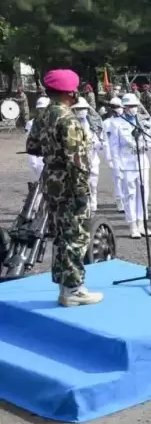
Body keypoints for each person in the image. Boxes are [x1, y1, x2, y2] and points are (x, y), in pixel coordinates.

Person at [25, 69, 103, 307]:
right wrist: (82, 191)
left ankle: (64, 286)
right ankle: (74, 290)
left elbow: (32, 146)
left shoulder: (44, 115)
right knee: (76, 236)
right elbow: (77, 160)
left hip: (51, 182)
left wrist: (52, 152)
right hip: (69, 184)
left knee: (61, 235)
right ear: (71, 91)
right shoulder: (68, 119)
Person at [109, 93, 151, 239]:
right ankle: (132, 225)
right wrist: (117, 167)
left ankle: (142, 223)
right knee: (130, 195)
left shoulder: (142, 122)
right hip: (127, 163)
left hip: (142, 161)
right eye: (130, 106)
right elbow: (114, 147)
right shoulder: (117, 124)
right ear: (124, 108)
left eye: (135, 106)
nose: (133, 109)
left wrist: (147, 143)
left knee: (143, 194)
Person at [71, 97, 106, 213]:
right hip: (77, 158)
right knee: (79, 183)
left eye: (83, 108)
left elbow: (98, 140)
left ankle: (93, 200)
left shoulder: (93, 124)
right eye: (78, 109)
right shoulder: (71, 124)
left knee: (93, 182)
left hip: (92, 157)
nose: (81, 111)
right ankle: (82, 204)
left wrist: (98, 144)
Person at [103, 97, 125, 212]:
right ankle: (119, 200)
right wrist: (109, 158)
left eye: (119, 107)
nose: (118, 110)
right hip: (114, 155)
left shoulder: (125, 121)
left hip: (126, 155)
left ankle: (126, 199)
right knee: (118, 178)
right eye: (115, 108)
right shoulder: (106, 123)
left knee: (126, 179)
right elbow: (105, 142)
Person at [25, 96, 50, 181]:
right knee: (36, 168)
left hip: (48, 154)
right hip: (36, 154)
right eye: (40, 109)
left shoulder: (53, 122)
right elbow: (29, 140)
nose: (41, 111)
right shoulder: (31, 123)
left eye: (43, 108)